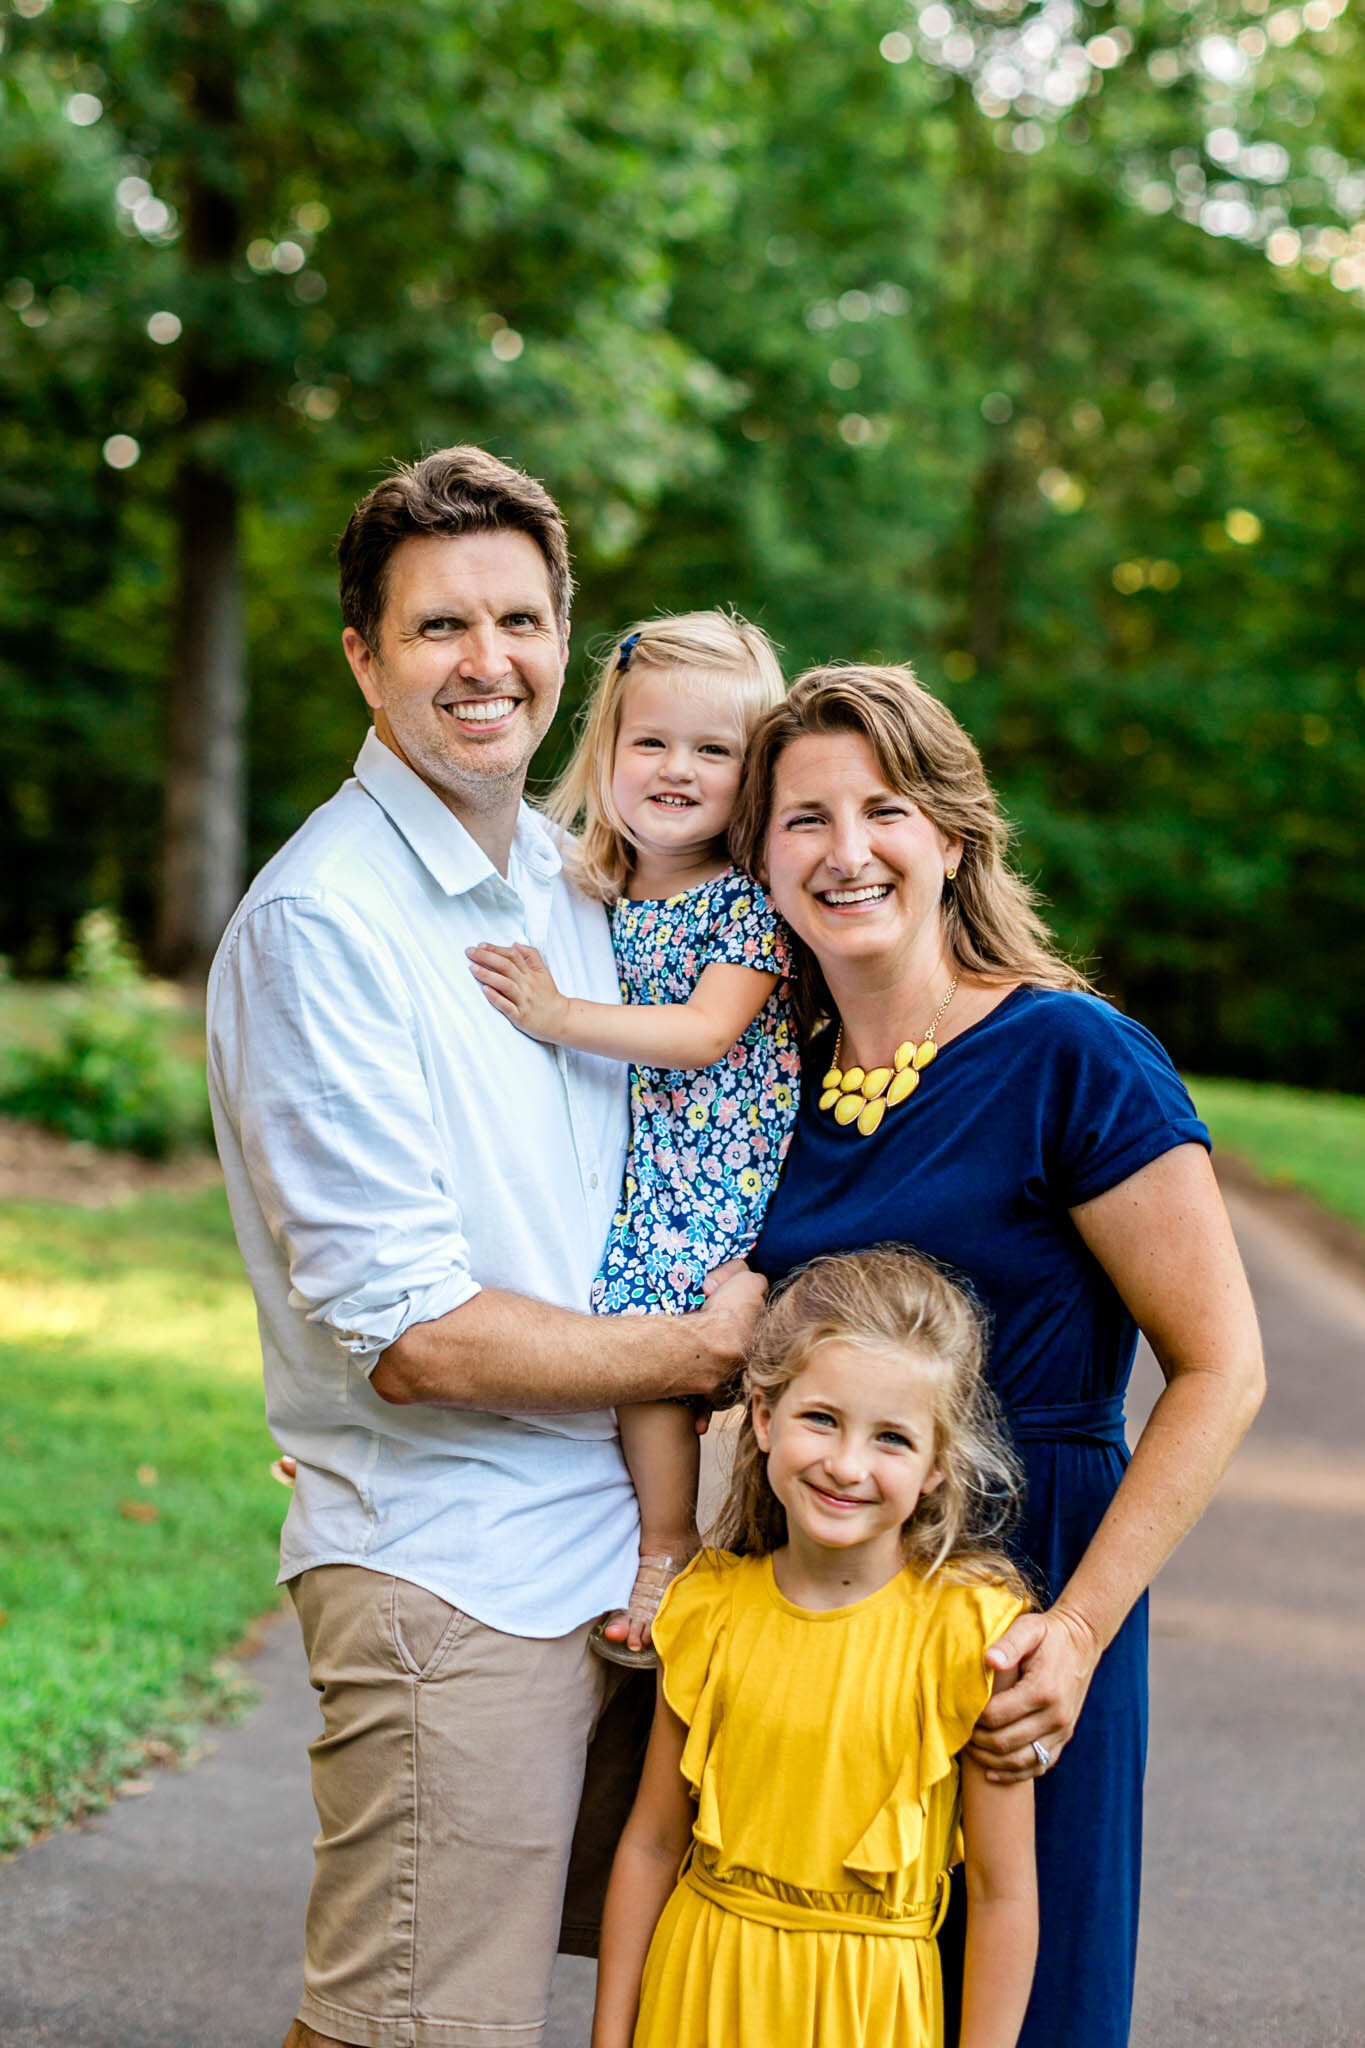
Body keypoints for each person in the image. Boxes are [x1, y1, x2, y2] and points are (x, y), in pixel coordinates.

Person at [206, 446, 767, 2048]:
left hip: (618, 1559)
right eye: (438, 626)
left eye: (518, 620)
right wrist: (717, 1351)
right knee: (415, 2027)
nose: (485, 662)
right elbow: (417, 1337)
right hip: (458, 1574)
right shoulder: (332, 923)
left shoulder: (568, 873)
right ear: (364, 658)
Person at [727, 665, 1266, 2048]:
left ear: (953, 836)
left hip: (1026, 1597)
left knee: (1021, 2001)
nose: (845, 852)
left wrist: (1077, 1634)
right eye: (803, 820)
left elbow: (1219, 1367)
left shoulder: (1071, 1056)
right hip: (824, 1599)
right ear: (762, 858)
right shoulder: (763, 1081)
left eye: (884, 809)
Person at [590, 1246, 1039, 2048]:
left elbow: (1005, 1897)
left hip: (870, 2010)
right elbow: (653, 1842)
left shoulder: (972, 1633)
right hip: (699, 1990)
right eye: (821, 1419)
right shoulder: (707, 1610)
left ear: (938, 1464)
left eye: (892, 1439)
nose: (846, 1464)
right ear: (763, 1418)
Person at [466, 612, 797, 1660]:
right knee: (624, 1336)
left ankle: (680, 1547)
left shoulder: (746, 900)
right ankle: (676, 1542)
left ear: (756, 774)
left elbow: (704, 1033)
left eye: (715, 750)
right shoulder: (590, 885)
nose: (676, 768)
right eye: (649, 742)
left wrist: (559, 1013)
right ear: (605, 750)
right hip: (641, 1167)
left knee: (655, 1325)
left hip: (721, 1171)